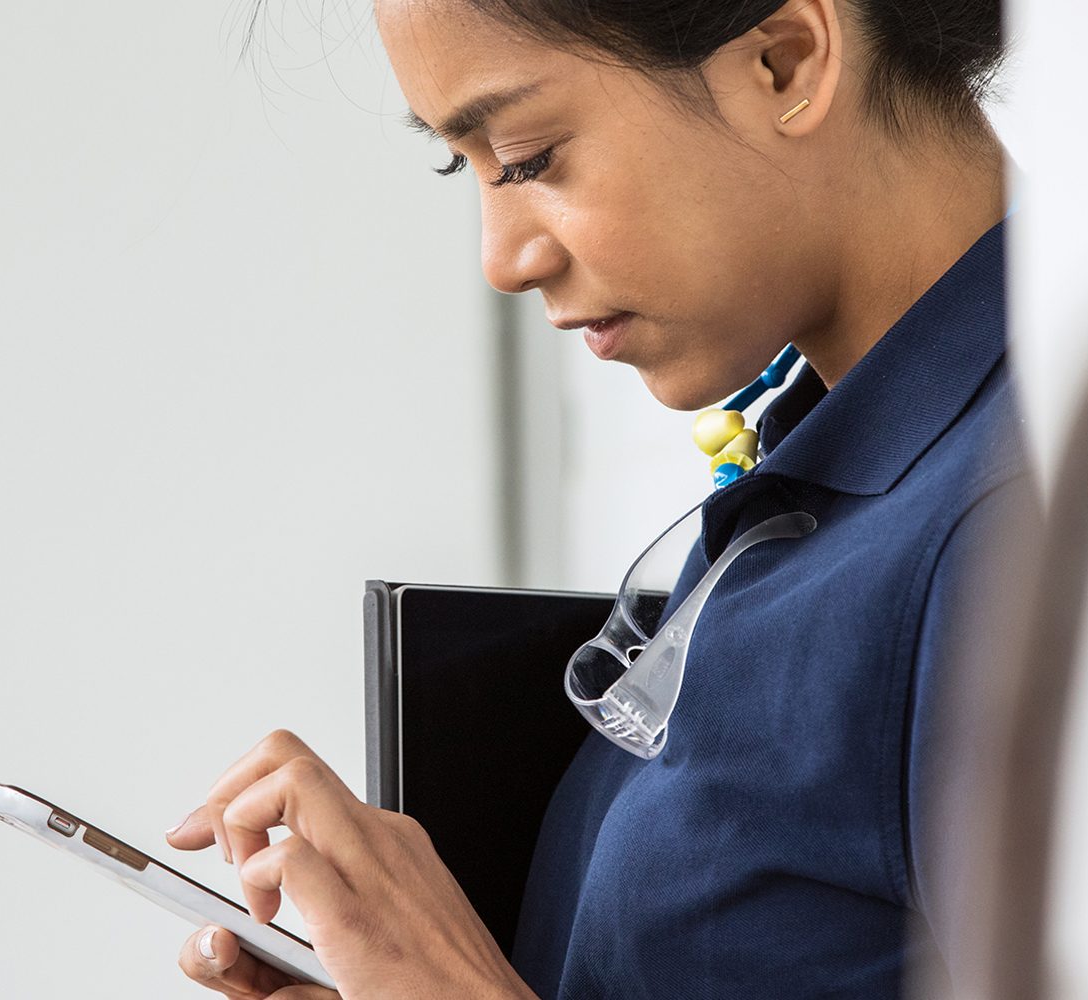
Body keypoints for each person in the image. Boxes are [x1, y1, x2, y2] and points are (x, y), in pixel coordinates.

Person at [165, 0, 1033, 996]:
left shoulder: (1021, 536)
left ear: (784, 61)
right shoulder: (818, 490)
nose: (501, 259)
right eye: (465, 164)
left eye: (528, 156)